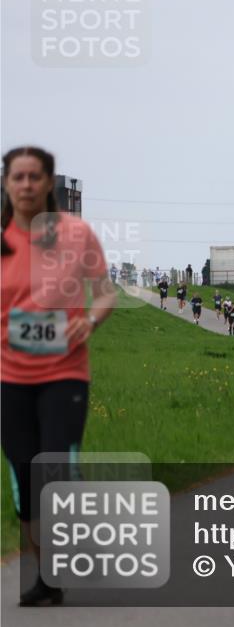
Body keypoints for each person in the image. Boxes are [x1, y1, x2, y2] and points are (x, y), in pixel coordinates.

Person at [1, 146, 116, 606]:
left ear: (49, 183)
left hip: (65, 371)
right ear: (8, 184)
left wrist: (88, 321)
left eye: (35, 177)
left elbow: (106, 293)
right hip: (10, 376)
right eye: (17, 177)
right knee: (25, 479)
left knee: (56, 466)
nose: (26, 185)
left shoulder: (77, 234)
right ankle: (48, 575)